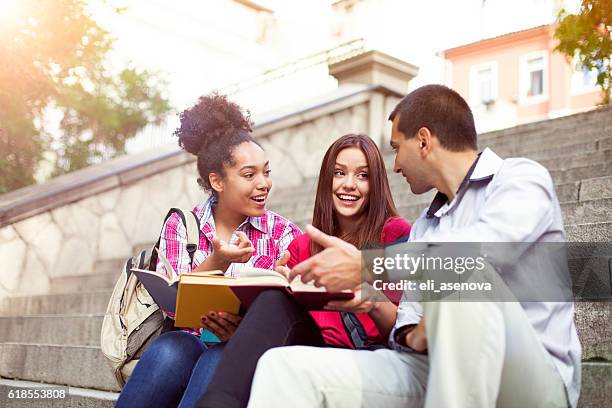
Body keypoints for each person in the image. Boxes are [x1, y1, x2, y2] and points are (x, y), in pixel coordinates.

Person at [247, 85, 581, 408]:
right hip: (433, 367)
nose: (394, 166)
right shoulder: (425, 225)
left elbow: (484, 252)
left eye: (396, 148)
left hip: (532, 381)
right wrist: (408, 327)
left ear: (423, 141)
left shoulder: (520, 179)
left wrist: (367, 264)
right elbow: (407, 320)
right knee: (285, 368)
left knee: (461, 278)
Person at [197, 134, 412, 408]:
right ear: (326, 180)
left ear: (376, 184)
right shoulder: (302, 245)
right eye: (339, 173)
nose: (349, 184)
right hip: (313, 348)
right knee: (273, 299)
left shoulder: (395, 233)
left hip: (371, 354)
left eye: (362, 176)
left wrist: (364, 287)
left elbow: (404, 327)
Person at [115, 93, 301, 408]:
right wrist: (219, 261)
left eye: (266, 172)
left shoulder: (283, 233)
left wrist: (287, 280)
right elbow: (172, 306)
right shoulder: (182, 225)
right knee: (171, 348)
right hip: (186, 341)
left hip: (246, 350)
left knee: (219, 359)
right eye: (249, 174)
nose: (263, 183)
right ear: (217, 180)